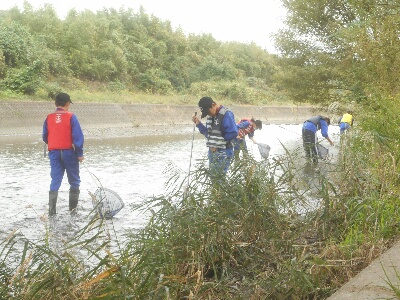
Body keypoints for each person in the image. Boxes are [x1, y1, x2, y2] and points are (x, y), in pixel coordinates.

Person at [42, 92, 84, 216]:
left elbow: (45, 136)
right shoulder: (71, 117)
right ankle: (73, 211)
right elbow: (78, 137)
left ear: (55, 104)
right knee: (74, 181)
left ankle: (52, 212)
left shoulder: (48, 117)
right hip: (69, 153)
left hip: (54, 153)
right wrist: (80, 153)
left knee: (55, 180)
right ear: (67, 104)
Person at [192, 97, 238, 175]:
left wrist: (217, 143)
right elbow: (209, 135)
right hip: (212, 152)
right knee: (213, 178)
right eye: (206, 113)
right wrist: (199, 124)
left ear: (213, 105)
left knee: (219, 179)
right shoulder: (211, 117)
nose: (208, 114)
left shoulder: (227, 114)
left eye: (208, 112)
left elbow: (233, 133)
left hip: (224, 151)